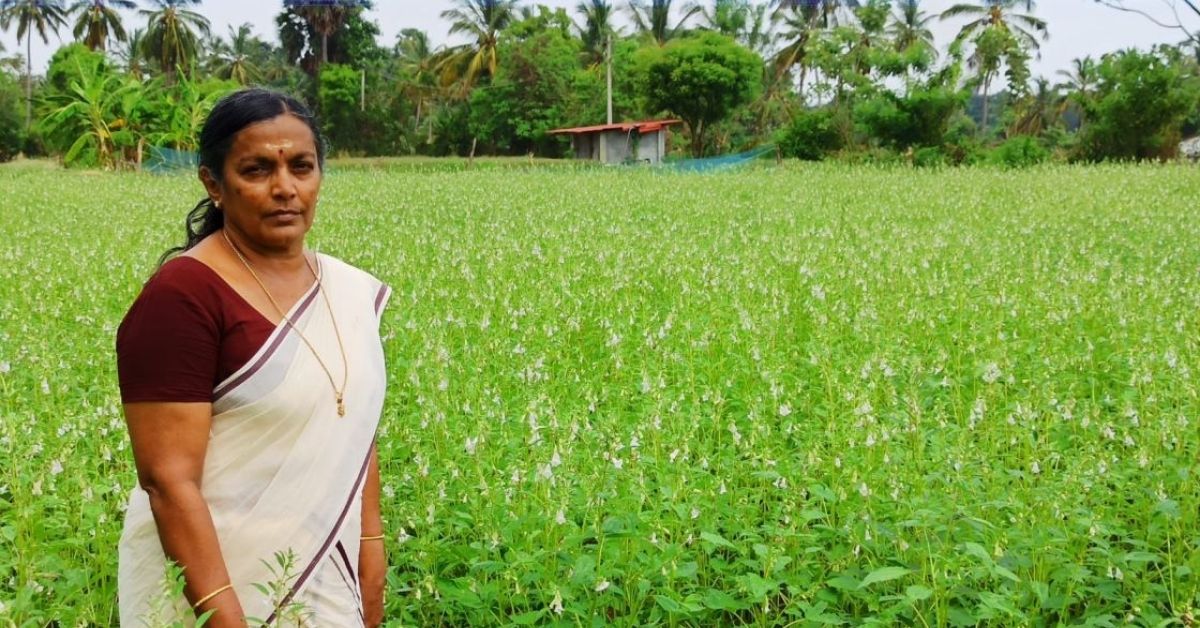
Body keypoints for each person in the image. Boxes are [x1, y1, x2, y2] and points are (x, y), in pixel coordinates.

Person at [115, 87, 390, 627]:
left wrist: (371, 552)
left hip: (326, 570)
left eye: (302, 167)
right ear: (213, 184)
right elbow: (169, 482)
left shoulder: (346, 290)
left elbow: (356, 431)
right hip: (215, 589)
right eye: (257, 169)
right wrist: (225, 619)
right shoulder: (184, 296)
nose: (285, 188)